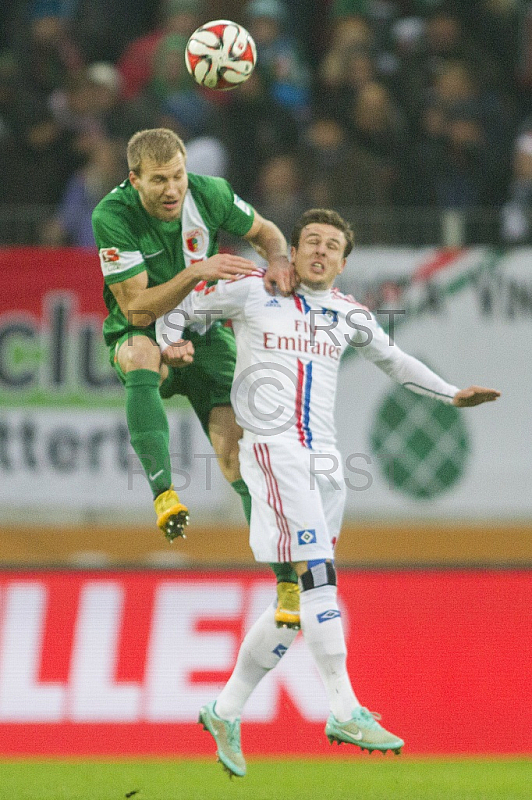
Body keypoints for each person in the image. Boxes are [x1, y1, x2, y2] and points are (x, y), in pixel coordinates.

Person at [156, 208, 501, 777]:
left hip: (325, 464)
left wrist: (450, 394)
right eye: (309, 241)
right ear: (291, 251)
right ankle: (344, 708)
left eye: (331, 245)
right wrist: (170, 343)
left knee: (295, 603)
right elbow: (186, 307)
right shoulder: (250, 290)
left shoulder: (348, 312)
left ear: (344, 262)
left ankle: (225, 710)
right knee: (319, 577)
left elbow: (395, 360)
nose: (318, 250)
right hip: (272, 449)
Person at [91, 127, 300, 623]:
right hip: (142, 331)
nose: (171, 189)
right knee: (141, 355)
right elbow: (138, 307)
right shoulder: (112, 215)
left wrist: (280, 261)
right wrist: (194, 272)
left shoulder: (210, 193)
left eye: (178, 177)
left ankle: (288, 585)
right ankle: (164, 493)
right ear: (134, 180)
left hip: (205, 339)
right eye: (159, 180)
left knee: (239, 458)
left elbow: (266, 230)